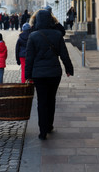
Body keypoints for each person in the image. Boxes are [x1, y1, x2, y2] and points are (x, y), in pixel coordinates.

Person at [25, 9, 74, 140]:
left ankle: (42, 130)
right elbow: (64, 54)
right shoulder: (57, 35)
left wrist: (27, 75)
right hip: (54, 72)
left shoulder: (33, 36)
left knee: (41, 101)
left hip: (38, 74)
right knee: (51, 99)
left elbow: (29, 58)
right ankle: (49, 125)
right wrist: (69, 69)